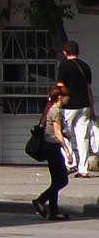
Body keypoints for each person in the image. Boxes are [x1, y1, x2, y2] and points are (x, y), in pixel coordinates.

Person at [56, 40, 96, 178]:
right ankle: (83, 169)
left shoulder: (64, 66)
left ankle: (70, 162)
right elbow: (89, 90)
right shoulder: (85, 67)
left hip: (69, 107)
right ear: (78, 52)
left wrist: (56, 104)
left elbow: (60, 87)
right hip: (84, 106)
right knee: (83, 138)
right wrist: (92, 110)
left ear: (65, 52)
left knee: (63, 134)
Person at [33, 86, 73, 220]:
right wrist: (67, 151)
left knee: (56, 181)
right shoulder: (56, 111)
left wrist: (64, 134)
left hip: (49, 147)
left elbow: (52, 130)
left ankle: (54, 212)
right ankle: (40, 200)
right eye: (67, 96)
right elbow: (55, 133)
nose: (69, 98)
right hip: (53, 149)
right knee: (62, 180)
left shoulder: (51, 109)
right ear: (60, 97)